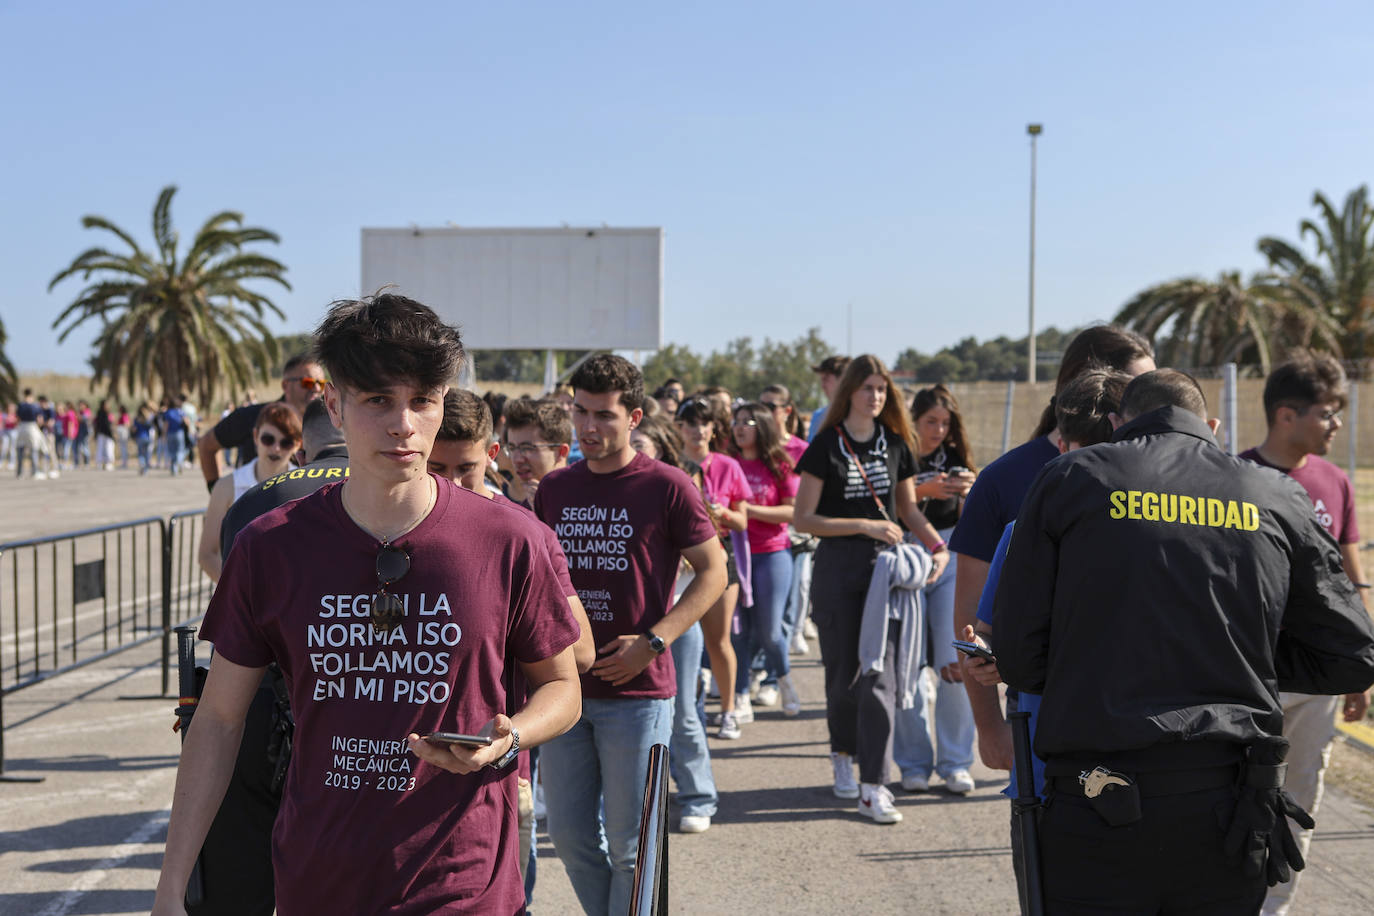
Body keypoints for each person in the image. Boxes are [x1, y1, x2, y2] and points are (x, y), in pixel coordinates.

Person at [151, 292, 582, 916]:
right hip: (319, 881)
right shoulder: (271, 548)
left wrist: (511, 738)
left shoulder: (511, 539)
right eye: (379, 399)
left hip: (465, 886)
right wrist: (170, 888)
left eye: (422, 401)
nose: (403, 424)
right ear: (334, 404)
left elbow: (563, 687)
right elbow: (217, 720)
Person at [994, 369, 1374, 912]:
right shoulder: (1274, 494)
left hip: (1096, 799)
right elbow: (1352, 656)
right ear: (1211, 426)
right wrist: (1243, 656)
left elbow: (1019, 656)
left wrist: (1100, 655)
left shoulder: (1070, 477)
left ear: (1118, 423)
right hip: (1228, 808)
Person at [534, 354, 726, 915]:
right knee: (569, 840)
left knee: (632, 850)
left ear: (635, 417)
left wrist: (655, 641)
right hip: (566, 690)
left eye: (605, 415)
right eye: (580, 412)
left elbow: (713, 572)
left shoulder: (668, 486)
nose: (588, 428)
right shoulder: (555, 488)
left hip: (638, 696)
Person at [961, 365, 1133, 914]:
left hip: (1098, 762)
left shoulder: (1031, 530)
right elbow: (983, 638)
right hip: (1071, 766)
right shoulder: (1022, 533)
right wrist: (987, 676)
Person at [954, 325, 1155, 771]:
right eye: (1140, 389)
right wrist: (989, 728)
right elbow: (971, 616)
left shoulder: (1165, 481)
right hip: (1048, 728)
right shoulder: (1005, 481)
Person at [428, 388, 594, 908]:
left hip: (496, 775)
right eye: (436, 468)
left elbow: (581, 652)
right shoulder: (389, 527)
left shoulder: (526, 535)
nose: (451, 485)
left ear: (492, 455)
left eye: (466, 469)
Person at [190, 399, 350, 916]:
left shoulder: (254, 503)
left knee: (249, 873)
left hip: (259, 702)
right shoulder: (397, 490)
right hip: (363, 706)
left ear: (302, 449)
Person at [1237, 352, 1372, 916]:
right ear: (1285, 414)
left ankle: (1275, 908)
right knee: (1235, 796)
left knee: (1302, 795)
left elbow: (1348, 577)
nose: (1336, 424)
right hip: (1247, 674)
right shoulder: (1233, 476)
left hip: (1315, 676)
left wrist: (1361, 665)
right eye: (1327, 413)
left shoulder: (1335, 481)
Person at [793, 354, 950, 824]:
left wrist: (938, 547)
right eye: (867, 388)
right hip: (838, 568)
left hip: (887, 573)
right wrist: (863, 523)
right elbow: (803, 518)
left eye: (882, 389)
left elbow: (908, 511)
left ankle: (873, 784)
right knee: (843, 674)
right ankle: (843, 751)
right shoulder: (825, 446)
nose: (876, 396)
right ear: (849, 393)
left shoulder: (897, 443)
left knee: (881, 677)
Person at [630, 414, 720, 834]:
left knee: (682, 712)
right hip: (630, 628)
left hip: (677, 621)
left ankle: (698, 795)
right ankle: (646, 800)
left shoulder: (675, 489)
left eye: (641, 445)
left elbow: (706, 564)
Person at [890, 384, 979, 796]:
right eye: (931, 422)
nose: (939, 430)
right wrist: (923, 490)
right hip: (907, 555)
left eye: (945, 423)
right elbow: (883, 505)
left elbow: (974, 514)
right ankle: (912, 764)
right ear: (914, 421)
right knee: (907, 667)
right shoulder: (897, 450)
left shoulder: (957, 454)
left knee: (954, 663)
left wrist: (969, 490)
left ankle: (956, 762)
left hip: (951, 556)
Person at [675, 395, 751, 737]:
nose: (697, 430)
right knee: (678, 641)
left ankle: (729, 709)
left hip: (720, 560)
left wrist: (721, 514)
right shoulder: (670, 465)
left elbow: (742, 521)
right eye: (690, 423)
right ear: (680, 428)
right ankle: (686, 709)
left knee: (718, 641)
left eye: (704, 424)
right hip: (678, 565)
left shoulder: (727, 465)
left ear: (712, 428)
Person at [728, 401, 801, 716]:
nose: (740, 427)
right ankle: (741, 694)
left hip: (773, 554)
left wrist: (747, 511)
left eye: (748, 421)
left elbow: (793, 510)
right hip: (735, 557)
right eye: (737, 421)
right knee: (738, 632)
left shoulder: (779, 463)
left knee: (770, 631)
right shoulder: (727, 464)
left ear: (763, 425)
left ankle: (782, 679)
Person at [198, 403, 302, 582]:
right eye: (268, 439)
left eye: (285, 443)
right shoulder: (226, 486)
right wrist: (238, 593)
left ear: (297, 445)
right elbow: (207, 555)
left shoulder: (306, 486)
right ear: (255, 436)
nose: (276, 448)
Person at [197, 354, 326, 491]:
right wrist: (217, 491)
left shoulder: (330, 424)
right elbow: (206, 445)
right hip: (253, 508)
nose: (316, 389)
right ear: (285, 385)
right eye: (308, 383)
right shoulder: (250, 416)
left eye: (321, 384)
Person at [501, 396, 572, 508]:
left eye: (527, 448)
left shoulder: (583, 503)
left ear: (561, 452)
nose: (516, 459)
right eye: (512, 448)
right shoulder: (498, 497)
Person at [806, 355, 850, 442]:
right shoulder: (818, 416)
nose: (822, 385)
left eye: (826, 379)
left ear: (843, 379)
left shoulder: (858, 415)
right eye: (821, 380)